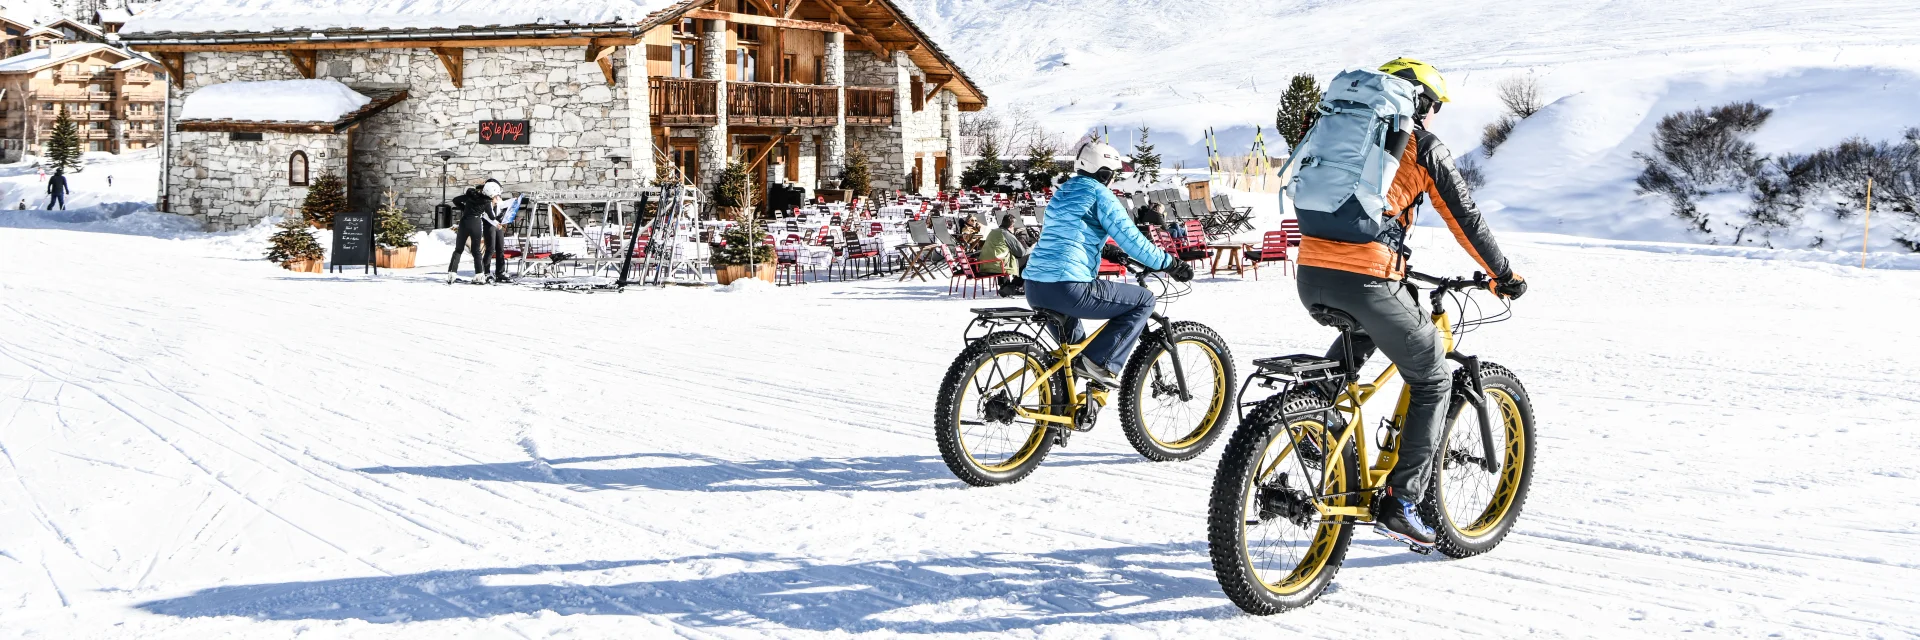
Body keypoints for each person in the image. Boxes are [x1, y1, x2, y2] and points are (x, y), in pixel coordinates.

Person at [1291, 58, 1528, 547]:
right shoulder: (1421, 146)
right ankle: (1402, 500)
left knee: (1363, 333)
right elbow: (1467, 219)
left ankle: (1316, 419)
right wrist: (1502, 275)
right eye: (1435, 106)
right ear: (1422, 102)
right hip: (1368, 279)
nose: (1435, 116)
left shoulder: (1342, 138)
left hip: (1311, 272)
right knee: (1434, 376)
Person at [1024, 141, 1193, 397]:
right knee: (1144, 300)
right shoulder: (1100, 194)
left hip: (1036, 288)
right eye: (1112, 175)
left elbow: (1066, 234)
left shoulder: (1063, 192)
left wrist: (1105, 250)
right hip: (1069, 287)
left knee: (1071, 358)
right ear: (1105, 173)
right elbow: (1133, 240)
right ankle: (1101, 364)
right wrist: (1170, 263)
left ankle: (1056, 424)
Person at [448, 178, 506, 280]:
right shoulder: (487, 202)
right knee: (476, 251)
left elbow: (455, 200)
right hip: (475, 223)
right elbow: (492, 217)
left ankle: (451, 273)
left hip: (464, 221)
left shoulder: (471, 196)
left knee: (458, 249)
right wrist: (499, 219)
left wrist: (464, 208)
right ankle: (479, 274)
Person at [980, 211, 1029, 297]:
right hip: (999, 265)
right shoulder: (1005, 233)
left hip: (986, 264)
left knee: (1006, 258)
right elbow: (1021, 253)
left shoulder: (993, 232)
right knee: (1028, 258)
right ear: (1011, 226)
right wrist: (1031, 248)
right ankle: (1014, 286)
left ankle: (1004, 285)